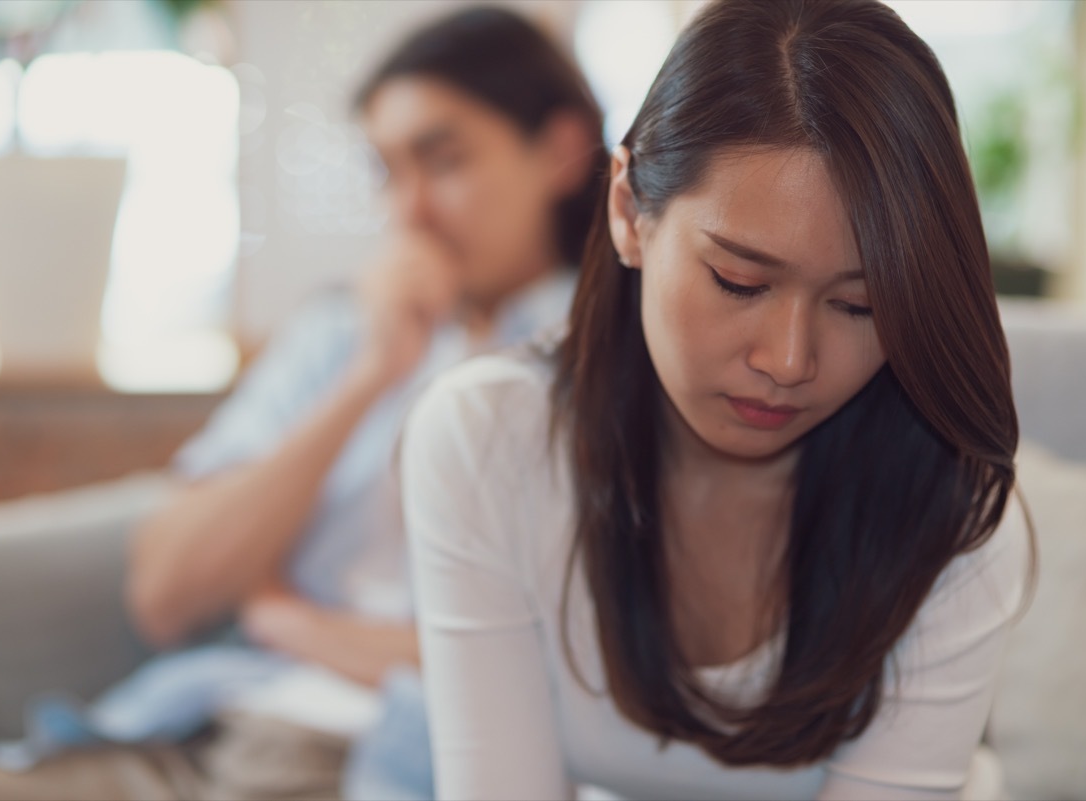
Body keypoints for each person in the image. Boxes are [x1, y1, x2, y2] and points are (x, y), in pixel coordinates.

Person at [0, 7, 604, 800]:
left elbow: (564, 665)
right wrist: (368, 375)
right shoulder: (340, 331)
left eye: (444, 161)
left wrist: (292, 623)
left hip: (369, 754)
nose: (409, 213)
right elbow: (164, 590)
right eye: (387, 173)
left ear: (562, 151)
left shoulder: (604, 359)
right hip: (188, 724)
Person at [399, 1, 1034, 799]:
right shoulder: (484, 440)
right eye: (739, 281)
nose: (790, 360)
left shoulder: (951, 512)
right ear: (630, 212)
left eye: (859, 305)